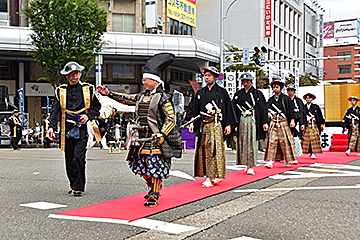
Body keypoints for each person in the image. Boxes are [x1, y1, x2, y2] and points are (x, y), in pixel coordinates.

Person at [97, 53, 181, 207]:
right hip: (141, 137)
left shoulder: (163, 98)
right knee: (141, 165)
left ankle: (155, 194)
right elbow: (127, 99)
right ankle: (153, 187)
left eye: (145, 80)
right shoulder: (142, 96)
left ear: (154, 81)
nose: (143, 82)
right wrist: (109, 94)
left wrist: (162, 134)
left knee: (155, 165)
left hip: (156, 138)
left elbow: (171, 119)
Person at [47, 62, 101, 197]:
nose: (74, 76)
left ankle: (79, 187)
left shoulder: (89, 89)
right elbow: (55, 110)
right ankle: (72, 184)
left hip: (82, 127)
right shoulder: (60, 90)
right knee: (69, 158)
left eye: (76, 73)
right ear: (67, 76)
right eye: (71, 74)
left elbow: (96, 107)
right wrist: (51, 127)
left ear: (80, 74)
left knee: (78, 157)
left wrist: (87, 116)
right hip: (67, 127)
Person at [185, 66, 237, 187]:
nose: (207, 77)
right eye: (205, 75)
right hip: (204, 125)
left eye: (209, 75)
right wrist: (192, 122)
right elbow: (193, 109)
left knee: (216, 149)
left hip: (216, 124)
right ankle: (209, 175)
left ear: (215, 77)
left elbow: (228, 108)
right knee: (206, 150)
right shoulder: (200, 93)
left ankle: (214, 175)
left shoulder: (222, 92)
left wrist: (228, 124)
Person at [232, 73, 268, 175]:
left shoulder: (257, 94)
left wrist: (264, 122)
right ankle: (246, 163)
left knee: (252, 143)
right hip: (242, 120)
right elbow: (234, 109)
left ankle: (251, 165)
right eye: (244, 81)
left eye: (247, 80)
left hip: (253, 120)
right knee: (243, 142)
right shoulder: (238, 94)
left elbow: (263, 108)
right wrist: (234, 125)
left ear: (251, 81)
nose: (246, 82)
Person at [264, 80, 297, 168]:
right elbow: (266, 109)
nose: (275, 89)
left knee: (285, 142)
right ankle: (270, 161)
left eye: (277, 87)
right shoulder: (270, 100)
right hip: (273, 122)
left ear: (281, 88)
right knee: (272, 141)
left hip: (283, 121)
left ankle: (287, 160)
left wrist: (292, 121)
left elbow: (291, 110)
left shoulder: (286, 98)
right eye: (274, 87)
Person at [302, 93, 325, 159]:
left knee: (313, 139)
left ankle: (313, 153)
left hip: (313, 125)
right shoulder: (303, 107)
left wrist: (321, 124)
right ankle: (310, 153)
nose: (308, 99)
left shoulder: (316, 107)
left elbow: (320, 116)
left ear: (312, 99)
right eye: (307, 98)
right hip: (307, 125)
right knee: (307, 140)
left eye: (309, 98)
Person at [286, 84, 306, 162]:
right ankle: (288, 157)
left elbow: (302, 112)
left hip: (297, 122)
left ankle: (295, 156)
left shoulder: (298, 101)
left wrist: (303, 123)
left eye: (291, 90)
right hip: (286, 121)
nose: (290, 92)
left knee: (296, 138)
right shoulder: (285, 100)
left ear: (294, 91)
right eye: (288, 90)